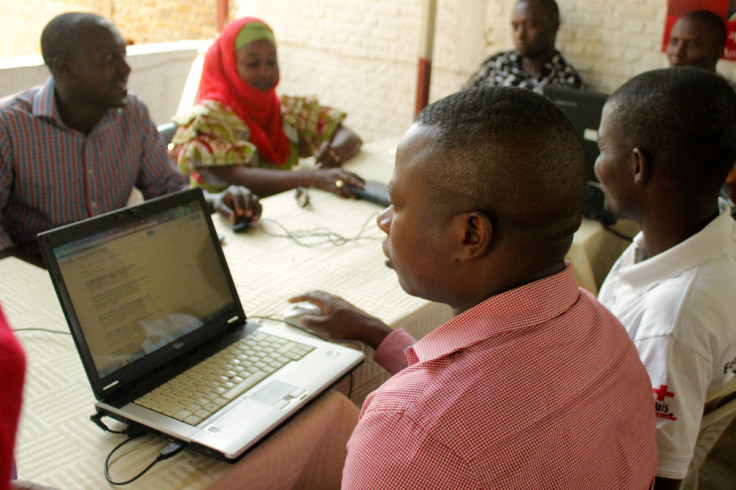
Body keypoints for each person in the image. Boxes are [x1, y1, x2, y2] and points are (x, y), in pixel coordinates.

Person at [290, 87, 658, 487]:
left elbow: (459, 409)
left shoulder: (408, 434)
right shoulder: (607, 332)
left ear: (470, 234)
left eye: (397, 204)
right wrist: (376, 334)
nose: (383, 220)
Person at [0, 12, 262, 264]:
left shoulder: (132, 113)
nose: (125, 69)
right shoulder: (10, 125)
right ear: (64, 68)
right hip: (35, 269)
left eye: (123, 55)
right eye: (108, 59)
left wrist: (217, 200)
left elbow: (167, 192)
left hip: (121, 266)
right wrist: (29, 273)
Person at [594, 67, 736, 489]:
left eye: (602, 147)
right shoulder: (704, 236)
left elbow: (658, 475)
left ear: (638, 165)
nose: (596, 163)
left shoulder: (672, 321)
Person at [170, 17, 365, 199]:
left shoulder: (287, 110)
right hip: (229, 221)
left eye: (271, 61)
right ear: (229, 65)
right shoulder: (209, 120)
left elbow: (349, 137)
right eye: (252, 63)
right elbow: (237, 175)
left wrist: (335, 152)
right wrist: (311, 178)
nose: (265, 71)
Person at [463, 0, 583, 92]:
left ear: (554, 25)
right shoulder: (495, 65)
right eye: (515, 27)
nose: (520, 34)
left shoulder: (567, 83)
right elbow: (459, 107)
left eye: (530, 25)